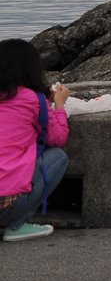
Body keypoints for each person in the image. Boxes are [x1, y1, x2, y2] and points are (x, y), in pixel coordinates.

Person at [0, 39, 70, 242]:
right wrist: (59, 105)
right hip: (8, 204)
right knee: (58, 157)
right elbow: (58, 138)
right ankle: (17, 225)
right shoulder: (33, 99)